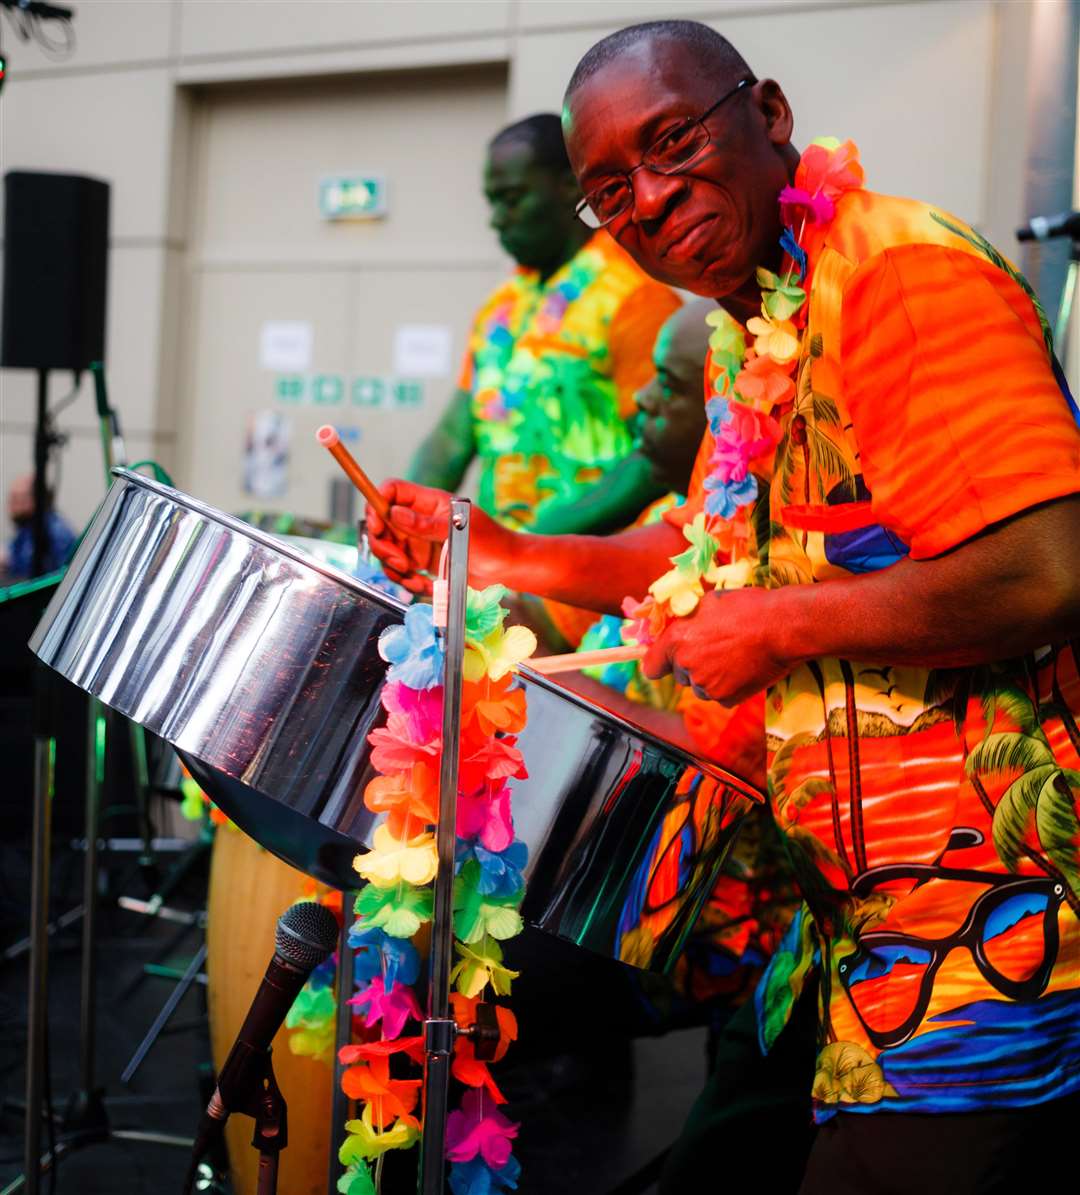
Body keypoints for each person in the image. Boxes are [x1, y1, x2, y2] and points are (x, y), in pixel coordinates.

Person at [369, 19, 1080, 1195]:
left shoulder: (897, 274)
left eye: (672, 142)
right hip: (852, 922)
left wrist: (779, 629)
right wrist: (505, 552)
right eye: (611, 189)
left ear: (771, 114)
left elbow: (1049, 566)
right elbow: (711, 555)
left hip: (990, 925)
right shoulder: (759, 319)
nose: (649, 198)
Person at [408, 113, 680, 536]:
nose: (496, 219)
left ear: (570, 188)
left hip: (593, 576)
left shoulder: (635, 297)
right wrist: (405, 514)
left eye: (513, 198)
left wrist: (538, 541)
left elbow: (659, 455)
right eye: (492, 201)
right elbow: (453, 437)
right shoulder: (502, 306)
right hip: (503, 578)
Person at [2, 473, 76, 581]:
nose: (12, 506)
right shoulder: (26, 530)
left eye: (18, 499)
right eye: (11, 499)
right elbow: (13, 548)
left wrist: (10, 561)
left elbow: (31, 566)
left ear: (36, 499)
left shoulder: (53, 531)